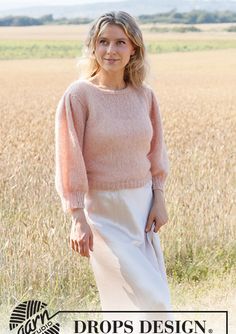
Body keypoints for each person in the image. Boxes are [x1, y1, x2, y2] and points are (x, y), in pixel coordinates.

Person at [55, 11, 172, 315]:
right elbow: (69, 158)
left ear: (134, 48)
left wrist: (159, 198)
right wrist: (77, 216)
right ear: (92, 47)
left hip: (142, 209)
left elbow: (155, 152)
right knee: (150, 298)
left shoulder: (145, 96)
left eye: (120, 42)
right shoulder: (78, 96)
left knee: (140, 305)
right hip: (104, 215)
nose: (111, 50)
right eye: (103, 41)